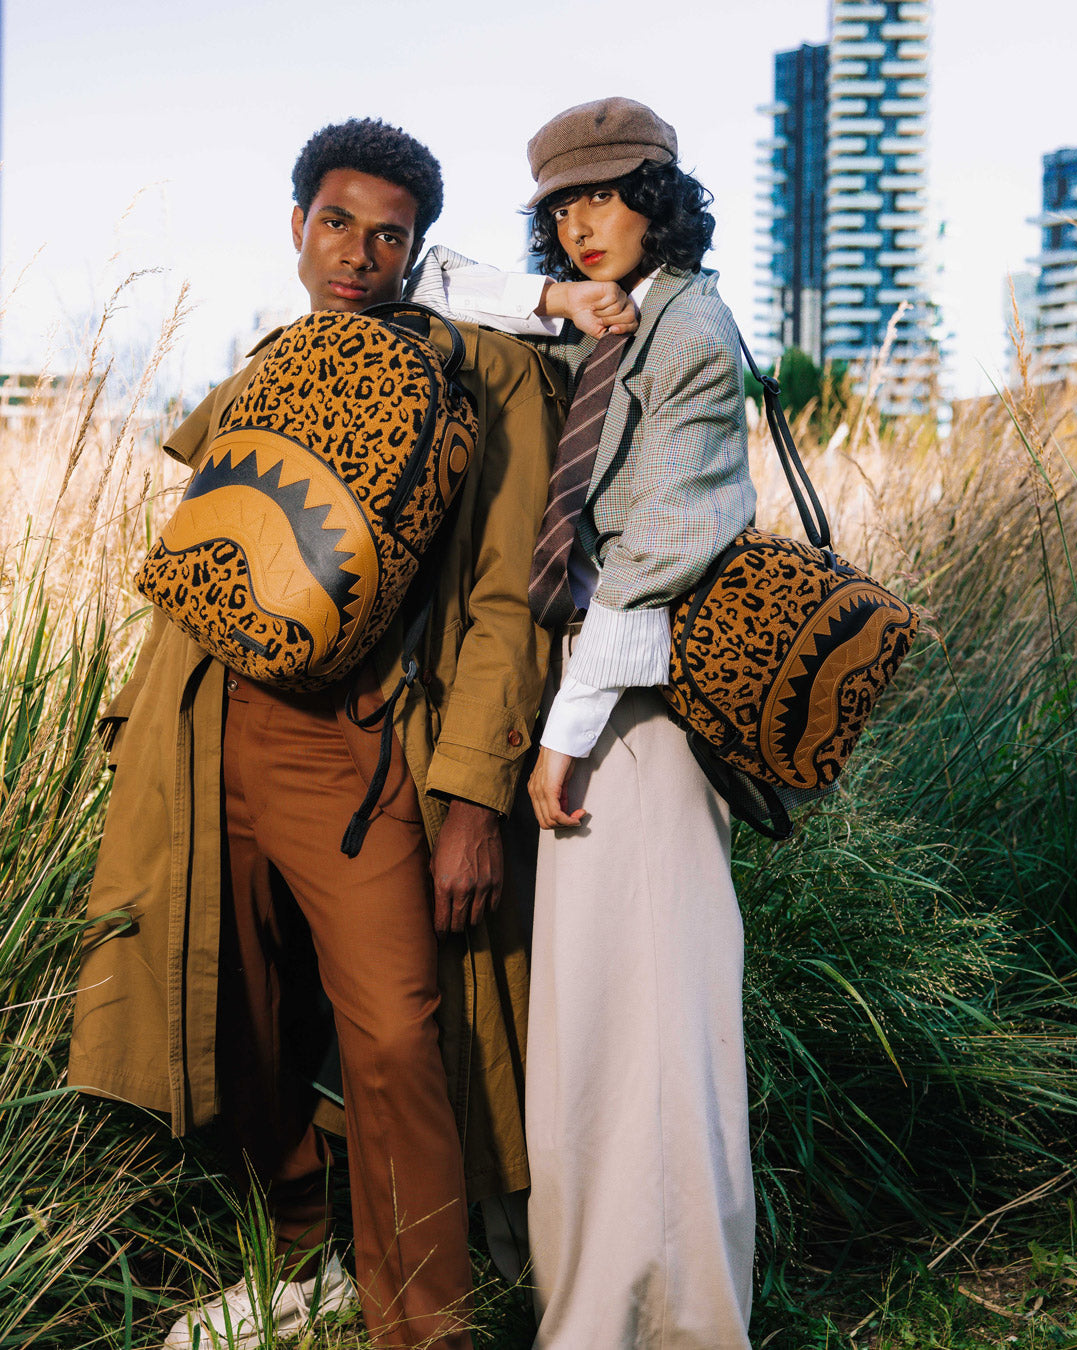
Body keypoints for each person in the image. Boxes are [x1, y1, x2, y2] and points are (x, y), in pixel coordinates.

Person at [67, 118, 566, 1350]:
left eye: (388, 236)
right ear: (299, 226)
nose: (357, 254)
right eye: (336, 223)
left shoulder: (483, 370)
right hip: (206, 729)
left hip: (356, 749)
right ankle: (296, 1260)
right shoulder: (278, 357)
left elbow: (507, 600)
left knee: (397, 1031)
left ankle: (425, 1325)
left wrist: (470, 796)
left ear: (418, 251)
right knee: (229, 1009)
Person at [410, 97, 759, 1348]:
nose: (581, 223)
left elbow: (656, 556)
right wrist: (557, 300)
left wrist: (562, 735)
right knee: (596, 1023)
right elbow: (426, 279)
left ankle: (667, 1323)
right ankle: (598, 1309)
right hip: (589, 699)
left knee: (653, 1024)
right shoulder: (603, 325)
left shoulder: (692, 329)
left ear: (659, 199)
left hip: (639, 715)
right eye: (563, 206)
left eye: (605, 197)